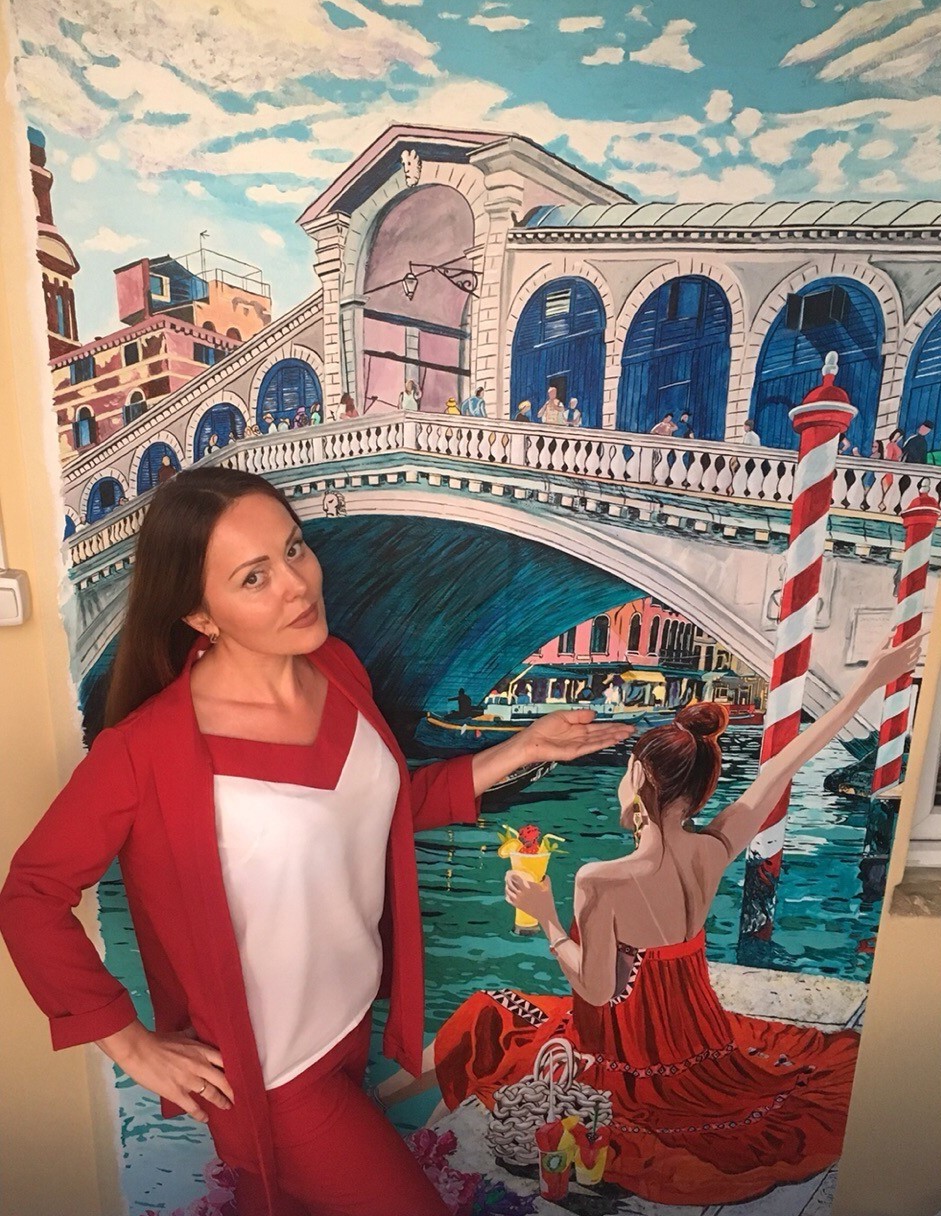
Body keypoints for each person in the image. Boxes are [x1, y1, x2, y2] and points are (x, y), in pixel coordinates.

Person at [0, 466, 634, 1216]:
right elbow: (30, 896)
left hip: (348, 1027)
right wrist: (128, 1041)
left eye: (294, 549)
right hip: (273, 1079)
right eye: (254, 577)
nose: (297, 585)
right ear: (200, 615)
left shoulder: (337, 669)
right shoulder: (148, 750)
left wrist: (522, 749)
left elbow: (374, 812)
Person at [378, 634, 921, 1206]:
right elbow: (788, 764)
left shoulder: (601, 880)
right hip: (696, 1048)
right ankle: (385, 1118)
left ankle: (380, 1117)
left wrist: (547, 919)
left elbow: (596, 989)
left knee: (486, 1015)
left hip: (621, 1058)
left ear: (639, 779)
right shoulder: (714, 849)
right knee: (494, 1023)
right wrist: (870, 679)